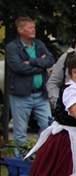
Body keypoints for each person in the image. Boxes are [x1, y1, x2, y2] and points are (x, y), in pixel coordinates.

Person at [5, 17, 55, 154]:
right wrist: (41, 66)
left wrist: (31, 61)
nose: (34, 30)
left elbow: (50, 60)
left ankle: (39, 155)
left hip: (41, 94)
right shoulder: (12, 47)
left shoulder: (38, 44)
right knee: (20, 132)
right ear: (21, 30)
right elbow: (18, 67)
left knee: (47, 126)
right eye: (30, 27)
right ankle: (20, 159)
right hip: (21, 95)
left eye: (34, 27)